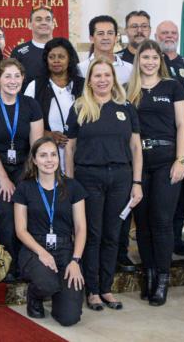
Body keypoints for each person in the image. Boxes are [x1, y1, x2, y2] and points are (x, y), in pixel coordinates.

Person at [64, 58, 143, 311]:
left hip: (120, 177)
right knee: (93, 234)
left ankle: (107, 288)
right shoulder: (79, 107)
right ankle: (93, 290)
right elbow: (69, 148)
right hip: (88, 178)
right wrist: (69, 182)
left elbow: (136, 147)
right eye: (97, 75)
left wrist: (137, 182)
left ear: (113, 78)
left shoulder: (126, 108)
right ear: (89, 80)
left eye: (106, 75)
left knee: (113, 235)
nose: (102, 80)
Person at [125, 40, 184, 305]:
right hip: (137, 163)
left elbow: (183, 125)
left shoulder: (172, 87)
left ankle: (163, 278)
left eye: (154, 57)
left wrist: (181, 160)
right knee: (143, 225)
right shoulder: (129, 90)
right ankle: (149, 273)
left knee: (162, 222)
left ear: (160, 60)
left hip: (166, 161)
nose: (149, 62)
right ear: (138, 60)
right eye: (145, 57)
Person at [0, 59, 44, 277]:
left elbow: (36, 146)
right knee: (5, 210)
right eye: (7, 76)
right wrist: (4, 178)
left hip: (25, 163)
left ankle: (30, 259)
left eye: (17, 76)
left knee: (26, 206)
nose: (12, 81)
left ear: (23, 79)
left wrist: (30, 176)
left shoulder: (32, 105)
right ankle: (11, 264)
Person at [15, 137, 87, 325]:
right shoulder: (25, 187)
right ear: (34, 160)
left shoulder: (73, 187)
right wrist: (42, 253)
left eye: (53, 154)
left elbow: (80, 228)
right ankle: (35, 295)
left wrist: (75, 260)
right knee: (47, 283)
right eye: (43, 155)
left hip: (65, 249)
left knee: (69, 317)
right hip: (34, 248)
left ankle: (60, 295)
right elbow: (20, 230)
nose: (49, 160)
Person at [154, 20, 184, 256]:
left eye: (173, 33)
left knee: (181, 189)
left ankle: (176, 236)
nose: (169, 36)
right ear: (156, 35)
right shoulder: (151, 62)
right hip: (157, 139)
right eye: (164, 32)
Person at [24, 38, 83, 171]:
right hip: (47, 158)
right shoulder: (35, 86)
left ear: (69, 59)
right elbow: (24, 121)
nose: (56, 61)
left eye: (61, 57)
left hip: (81, 155)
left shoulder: (84, 85)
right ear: (46, 60)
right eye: (52, 57)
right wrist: (48, 134)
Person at [79, 15, 133, 84]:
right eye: (100, 33)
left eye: (110, 33)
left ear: (116, 38)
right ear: (91, 38)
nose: (105, 37)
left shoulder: (130, 69)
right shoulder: (80, 69)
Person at [12, 7, 54, 85]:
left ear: (53, 24)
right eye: (38, 19)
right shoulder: (19, 53)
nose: (44, 22)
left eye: (48, 19)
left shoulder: (65, 49)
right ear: (29, 24)